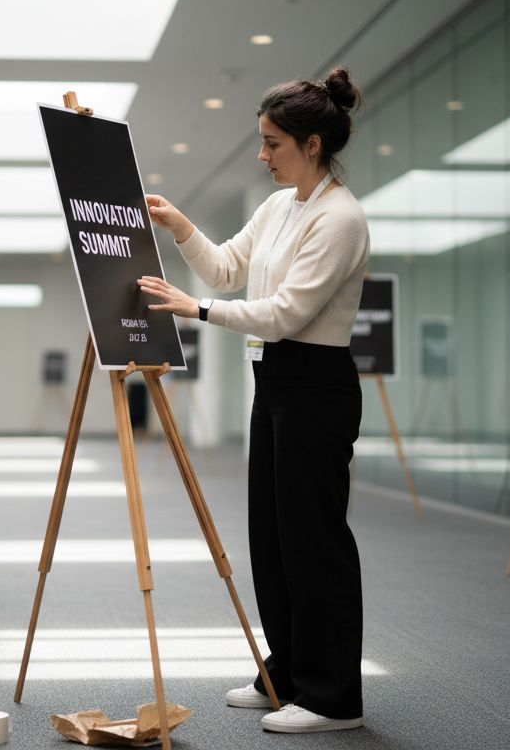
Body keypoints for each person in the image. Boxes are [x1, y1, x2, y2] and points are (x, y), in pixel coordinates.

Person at [139, 67, 369, 734]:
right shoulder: (279, 206)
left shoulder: (340, 218)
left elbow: (285, 314)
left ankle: (334, 699)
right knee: (272, 540)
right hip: (275, 387)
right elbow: (226, 267)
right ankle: (289, 675)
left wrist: (198, 310)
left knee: (314, 542)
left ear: (314, 145)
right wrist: (182, 227)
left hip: (315, 385)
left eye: (272, 144)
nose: (262, 155)